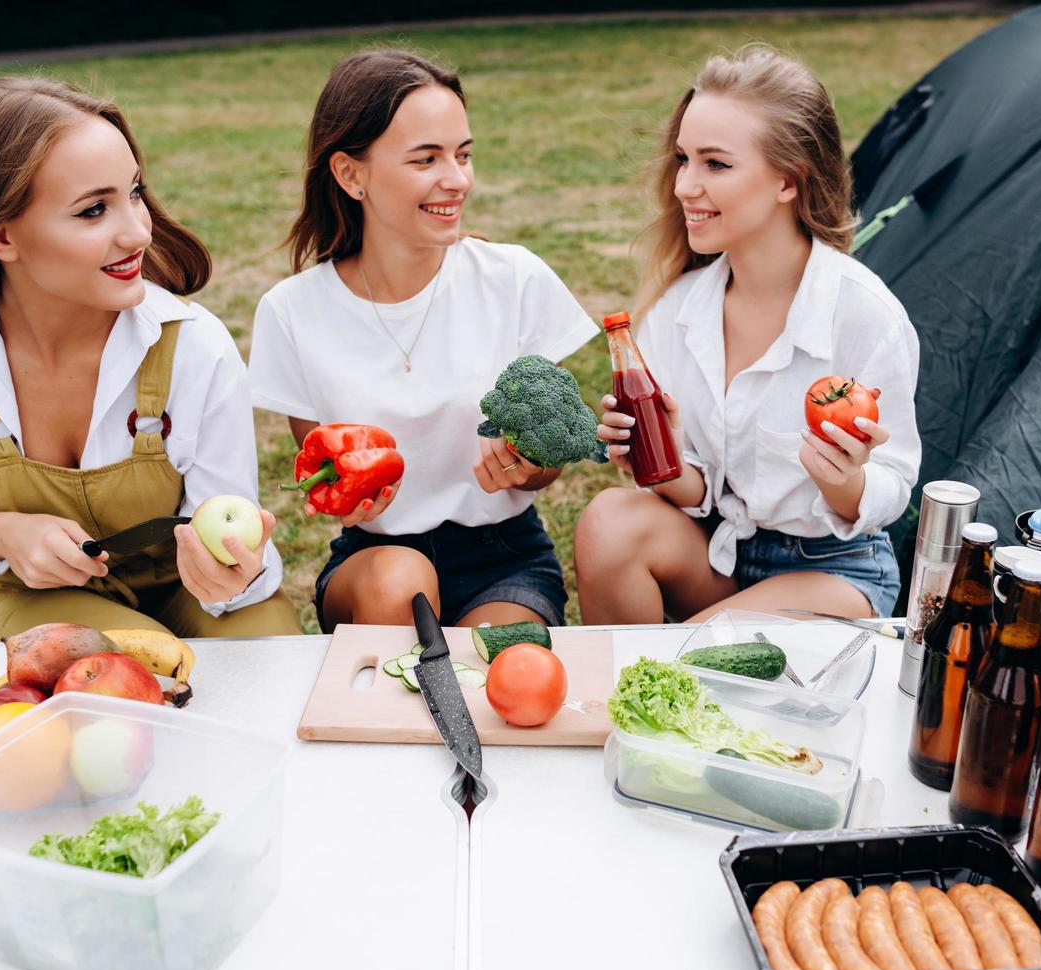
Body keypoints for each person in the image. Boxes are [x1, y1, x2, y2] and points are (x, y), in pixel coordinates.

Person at [0, 77, 301, 640]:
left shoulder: (194, 344)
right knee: (129, 675)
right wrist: (3, 534)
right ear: (1, 235)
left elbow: (231, 520)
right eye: (93, 210)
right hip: (37, 599)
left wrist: (231, 574)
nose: (137, 232)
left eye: (135, 193)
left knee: (271, 669)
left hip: (191, 593)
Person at [249, 50, 598, 632]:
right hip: (375, 561)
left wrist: (528, 467)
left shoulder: (513, 279)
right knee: (402, 588)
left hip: (505, 555)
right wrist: (347, 499)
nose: (456, 179)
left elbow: (548, 456)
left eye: (463, 155)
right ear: (350, 174)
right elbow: (323, 476)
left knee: (499, 672)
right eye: (426, 159)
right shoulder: (292, 312)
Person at [575, 47, 920, 625]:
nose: (684, 184)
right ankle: (630, 696)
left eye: (715, 164)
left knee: (689, 653)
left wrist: (845, 481)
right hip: (721, 552)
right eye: (684, 159)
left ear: (788, 181)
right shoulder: (678, 309)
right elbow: (697, 494)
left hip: (834, 569)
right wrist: (658, 458)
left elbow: (893, 486)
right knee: (609, 521)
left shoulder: (864, 315)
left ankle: (651, 676)